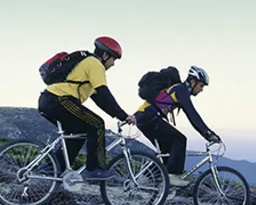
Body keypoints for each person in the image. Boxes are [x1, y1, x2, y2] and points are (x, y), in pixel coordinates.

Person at [38, 36, 136, 181]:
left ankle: (52, 167)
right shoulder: (95, 64)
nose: (113, 64)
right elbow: (103, 93)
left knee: (77, 133)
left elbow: (99, 99)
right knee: (97, 124)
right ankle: (94, 169)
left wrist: (119, 114)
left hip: (49, 100)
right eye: (113, 59)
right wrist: (123, 116)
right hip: (59, 99)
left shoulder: (87, 64)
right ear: (105, 55)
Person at [134, 66, 221, 188]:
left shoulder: (178, 89)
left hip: (143, 118)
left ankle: (145, 179)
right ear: (192, 82)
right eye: (201, 86)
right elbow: (192, 114)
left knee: (166, 152)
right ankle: (173, 176)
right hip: (149, 118)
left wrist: (206, 132)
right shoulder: (181, 90)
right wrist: (207, 133)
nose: (201, 90)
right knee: (180, 139)